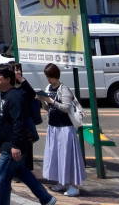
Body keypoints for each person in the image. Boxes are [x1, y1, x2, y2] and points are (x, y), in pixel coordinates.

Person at [0, 66, 57, 205]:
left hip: (12, 145)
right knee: (22, 173)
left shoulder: (16, 97)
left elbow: (19, 122)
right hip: (5, 143)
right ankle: (47, 199)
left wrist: (16, 145)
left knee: (2, 179)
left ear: (7, 79)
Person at [39, 63, 85, 197]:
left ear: (55, 76)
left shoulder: (64, 89)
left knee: (67, 157)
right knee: (56, 157)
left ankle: (73, 186)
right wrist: (43, 100)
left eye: (50, 77)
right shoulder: (48, 88)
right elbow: (48, 108)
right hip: (53, 127)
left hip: (65, 129)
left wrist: (50, 100)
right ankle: (61, 182)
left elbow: (65, 108)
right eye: (47, 76)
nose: (48, 79)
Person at [12, 62, 40, 171]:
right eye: (15, 70)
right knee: (16, 149)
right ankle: (17, 172)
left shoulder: (23, 87)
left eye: (19, 69)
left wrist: (22, 80)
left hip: (26, 124)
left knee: (26, 148)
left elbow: (32, 94)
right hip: (15, 124)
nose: (18, 72)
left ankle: (25, 172)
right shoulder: (10, 89)